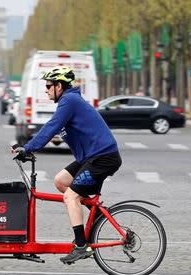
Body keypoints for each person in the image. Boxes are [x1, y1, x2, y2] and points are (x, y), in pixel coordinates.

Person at [11, 66, 121, 264]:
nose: (46, 90)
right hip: (90, 157)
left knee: (70, 195)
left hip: (103, 158)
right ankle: (96, 215)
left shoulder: (69, 101)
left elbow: (51, 126)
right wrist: (28, 148)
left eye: (48, 86)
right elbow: (54, 130)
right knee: (61, 181)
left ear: (59, 86)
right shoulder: (69, 100)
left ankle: (81, 246)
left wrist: (28, 148)